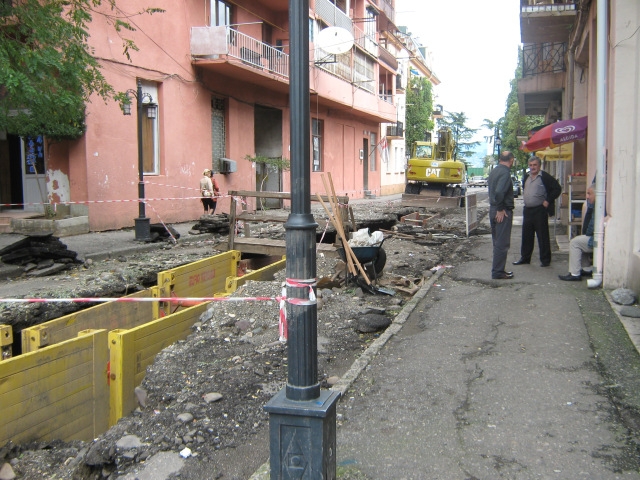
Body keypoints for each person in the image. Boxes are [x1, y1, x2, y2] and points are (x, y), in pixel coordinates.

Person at [513, 156, 562, 267]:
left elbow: (557, 188)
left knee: (542, 236)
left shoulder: (544, 177)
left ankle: (545, 260)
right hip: (528, 210)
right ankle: (525, 258)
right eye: (530, 165)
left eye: (535, 165)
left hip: (539, 210)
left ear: (539, 166)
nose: (532, 167)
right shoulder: (526, 177)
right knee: (527, 236)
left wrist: (548, 200)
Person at [488, 150, 515, 279]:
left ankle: (498, 269)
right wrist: (500, 209)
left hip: (493, 209)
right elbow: (499, 192)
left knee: (496, 241)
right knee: (502, 243)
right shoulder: (505, 172)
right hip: (502, 210)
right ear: (511, 160)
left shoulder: (494, 171)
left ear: (500, 159)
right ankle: (498, 271)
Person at [559, 185, 596, 281]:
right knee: (581, 240)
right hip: (597, 238)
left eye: (589, 194)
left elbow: (592, 226)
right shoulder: (594, 205)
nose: (587, 197)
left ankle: (575, 274)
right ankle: (585, 269)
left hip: (597, 239)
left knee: (575, 242)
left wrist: (586, 234)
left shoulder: (598, 207)